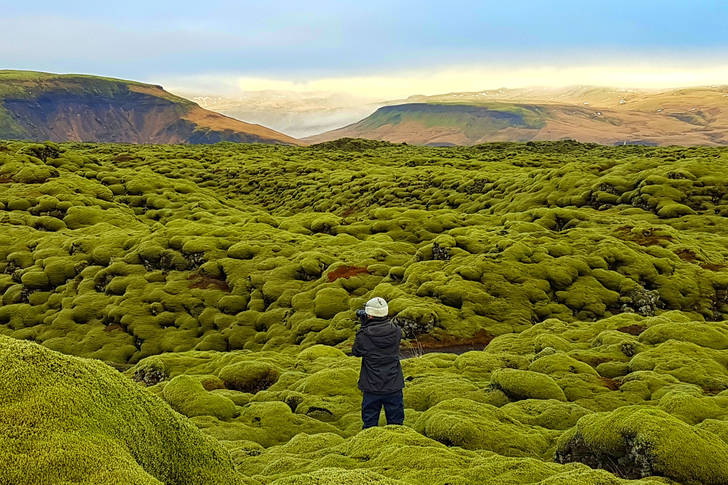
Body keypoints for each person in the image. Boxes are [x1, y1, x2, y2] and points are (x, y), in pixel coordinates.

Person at [351, 297, 405, 429]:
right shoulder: (396, 331)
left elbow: (356, 351)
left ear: (369, 314)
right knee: (397, 424)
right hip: (393, 383)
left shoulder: (364, 335)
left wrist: (364, 325)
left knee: (370, 423)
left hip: (372, 385)